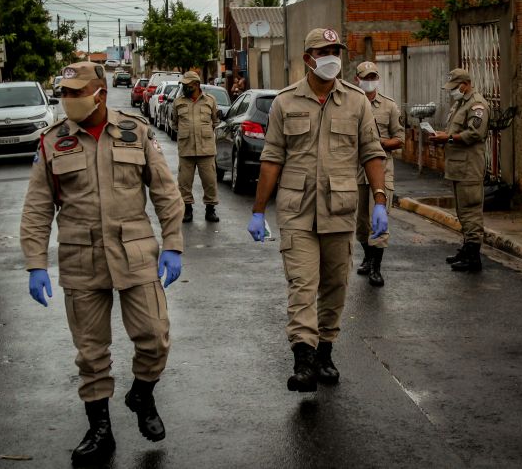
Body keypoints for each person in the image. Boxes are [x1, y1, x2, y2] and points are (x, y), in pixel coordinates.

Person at [20, 61, 184, 465]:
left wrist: (173, 243)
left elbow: (165, 191)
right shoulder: (52, 142)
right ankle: (100, 430)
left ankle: (141, 394)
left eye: (77, 93)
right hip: (81, 257)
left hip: (135, 252)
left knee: (155, 334)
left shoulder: (136, 132)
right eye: (65, 93)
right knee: (91, 353)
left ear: (100, 93)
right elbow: (37, 208)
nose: (69, 100)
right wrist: (35, 262)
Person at [247, 28, 388, 392]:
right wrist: (258, 210)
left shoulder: (356, 101)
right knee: (301, 285)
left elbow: (372, 152)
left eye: (336, 50)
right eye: (324, 51)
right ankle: (304, 361)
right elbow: (272, 157)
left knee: (334, 287)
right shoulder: (285, 102)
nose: (332, 57)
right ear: (308, 57)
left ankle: (325, 351)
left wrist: (380, 199)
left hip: (339, 210)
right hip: (296, 212)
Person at [429, 67, 490, 271]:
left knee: (471, 211)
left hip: (469, 167)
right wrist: (442, 135)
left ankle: (474, 257)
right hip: (458, 167)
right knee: (462, 212)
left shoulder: (476, 105)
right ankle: (467, 248)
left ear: (465, 84)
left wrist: (449, 138)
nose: (452, 91)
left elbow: (475, 133)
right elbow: (454, 131)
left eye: (455, 87)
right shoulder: (460, 104)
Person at [353, 61, 404, 286]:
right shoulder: (352, 105)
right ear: (357, 79)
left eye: (373, 76)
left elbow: (400, 139)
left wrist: (379, 143)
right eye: (366, 77)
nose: (370, 80)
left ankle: (376, 267)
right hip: (357, 171)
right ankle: (367, 255)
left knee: (379, 221)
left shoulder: (389, 106)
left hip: (383, 170)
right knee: (361, 222)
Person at [171, 70, 221, 223]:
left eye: (188, 85)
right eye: (184, 85)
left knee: (210, 181)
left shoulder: (210, 101)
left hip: (206, 149)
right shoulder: (178, 102)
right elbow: (174, 124)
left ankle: (210, 209)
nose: (185, 87)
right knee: (184, 182)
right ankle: (187, 209)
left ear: (197, 85)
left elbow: (215, 122)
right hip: (186, 149)